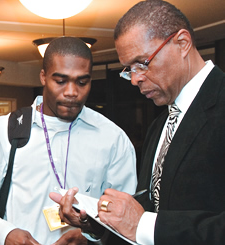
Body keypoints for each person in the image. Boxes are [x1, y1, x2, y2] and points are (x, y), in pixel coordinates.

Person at [54, 1, 225, 244]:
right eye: (128, 69)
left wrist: (142, 223)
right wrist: (99, 227)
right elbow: (156, 208)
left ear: (182, 43)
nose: (134, 79)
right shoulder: (160, 124)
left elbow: (148, 223)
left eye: (142, 63)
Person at [0, 37, 137, 245]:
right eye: (60, 81)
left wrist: (90, 236)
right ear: (43, 77)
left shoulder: (112, 138)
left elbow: (126, 214)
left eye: (82, 82)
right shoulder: (3, 131)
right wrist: (5, 234)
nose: (72, 92)